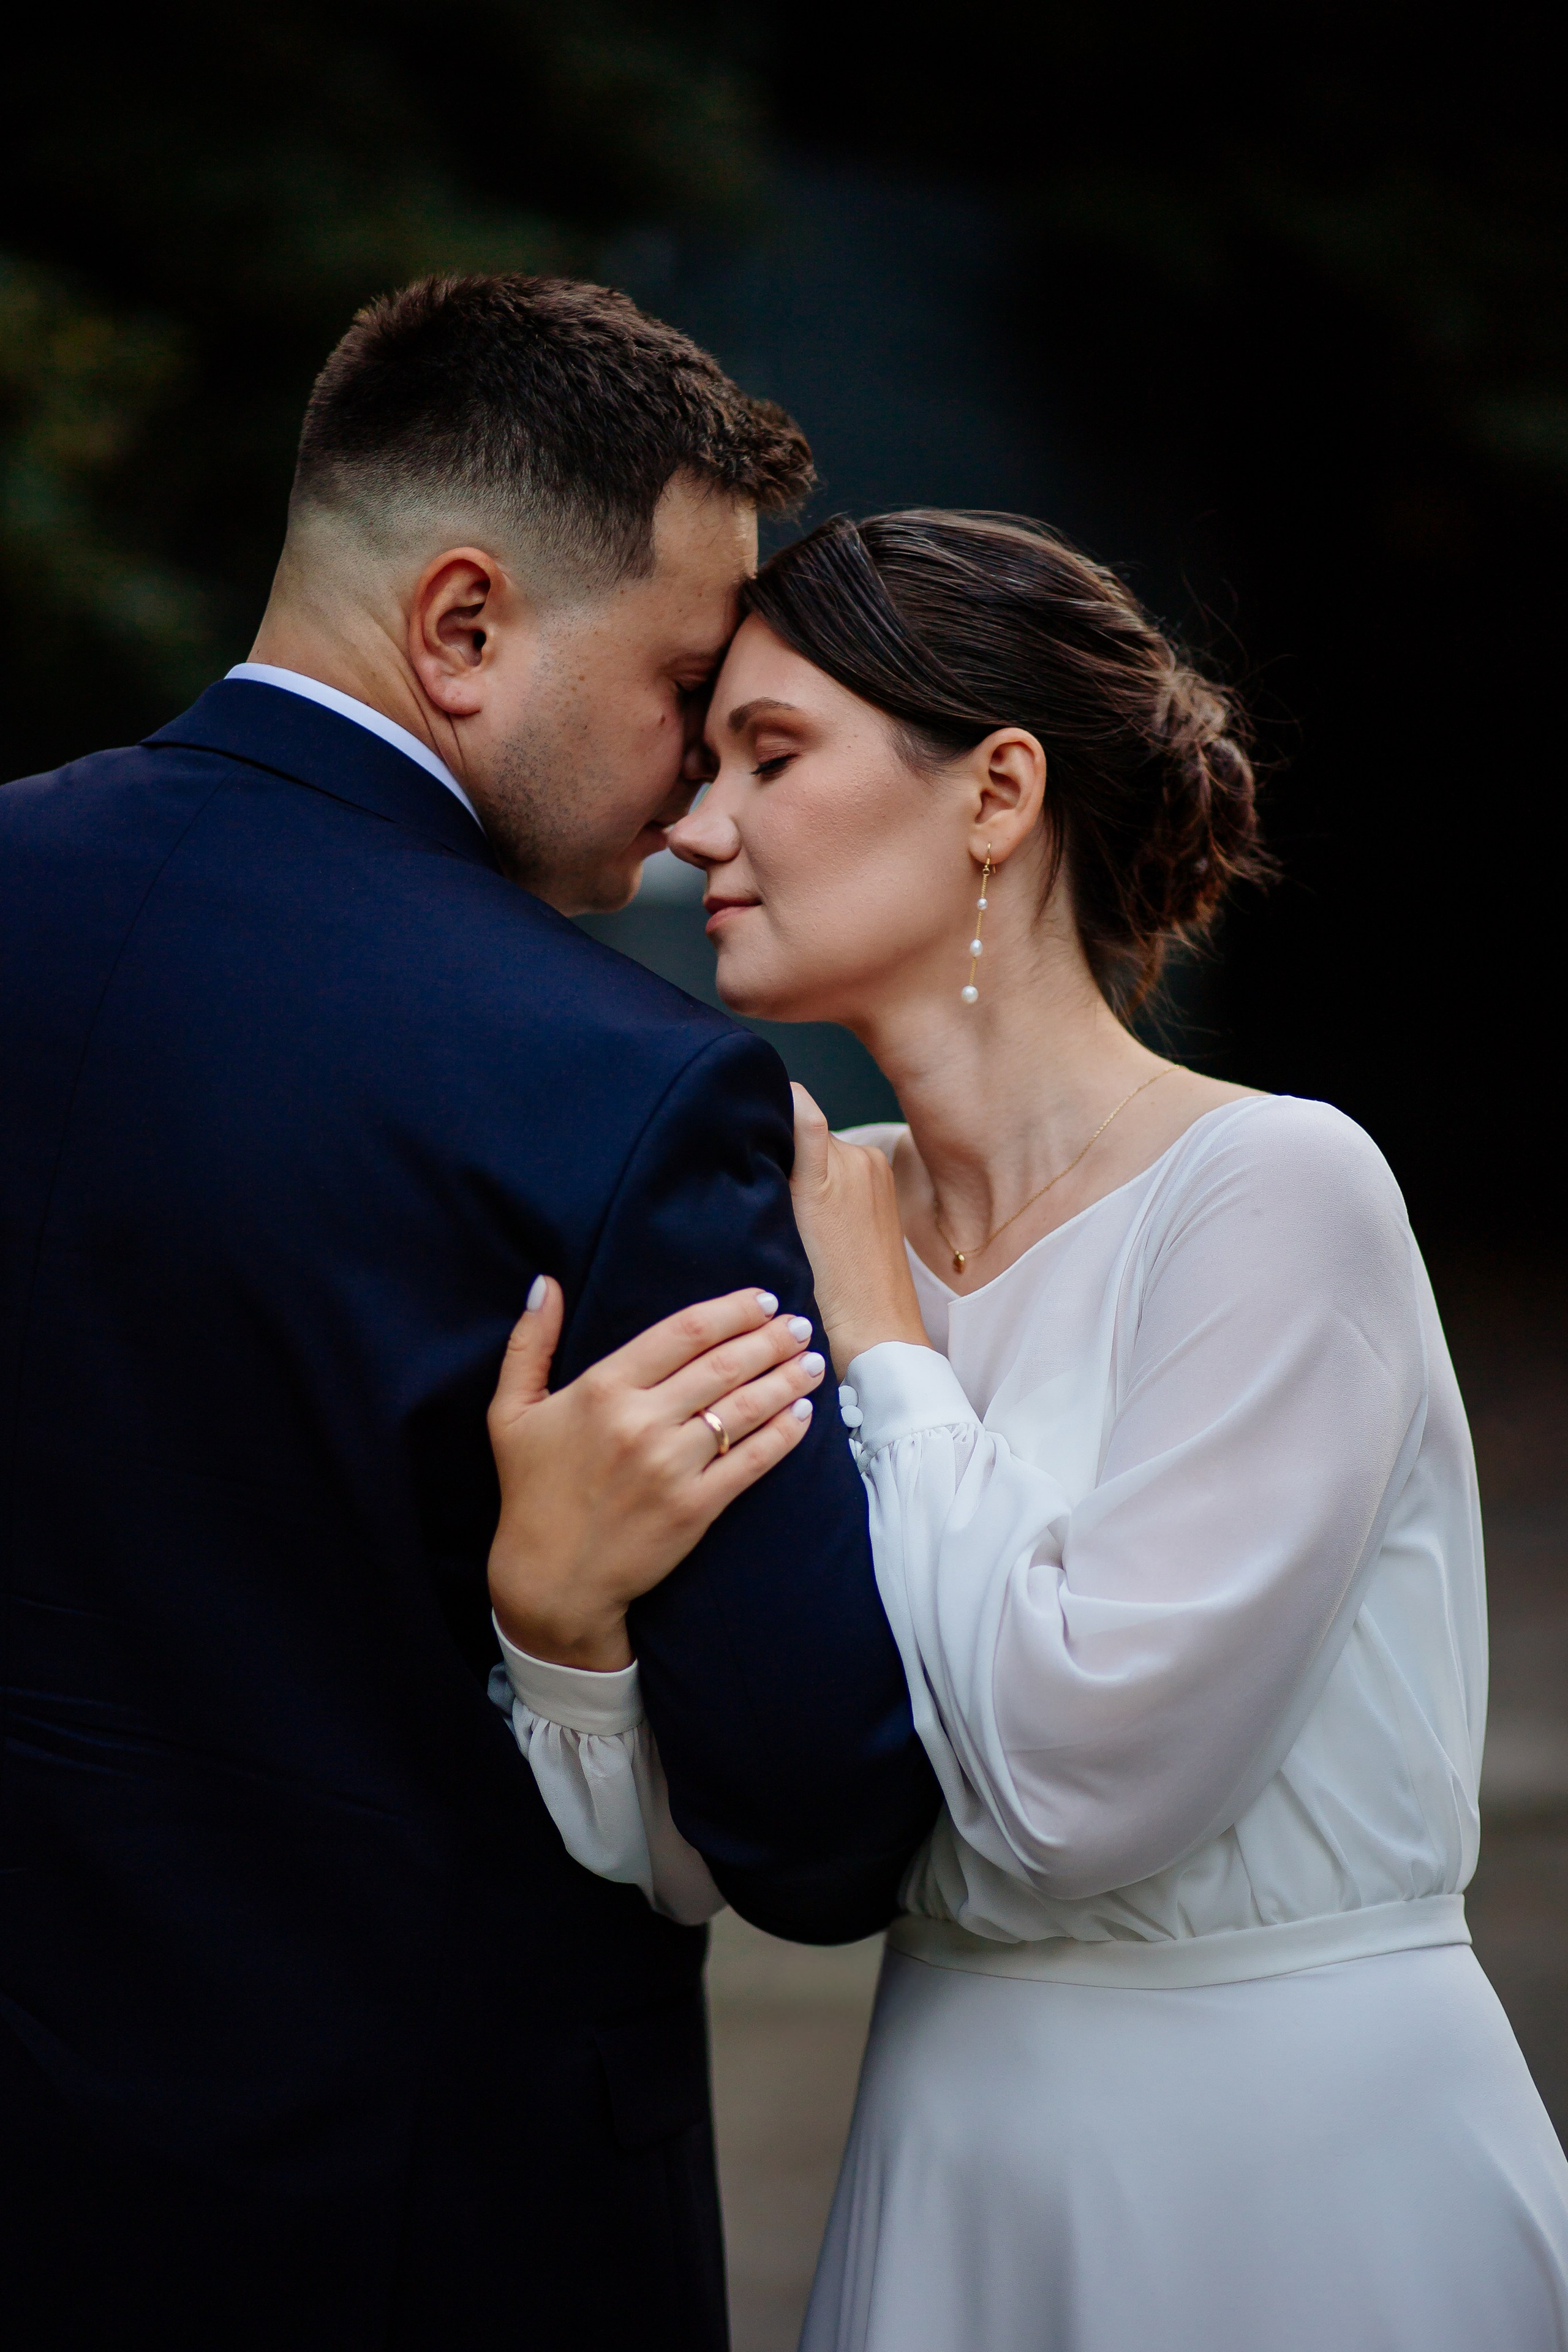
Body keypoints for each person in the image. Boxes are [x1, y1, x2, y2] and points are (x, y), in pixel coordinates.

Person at [484, 510, 1568, 2350]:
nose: (695, 831)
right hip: (951, 2158)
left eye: (770, 757)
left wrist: (892, 1355)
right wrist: (564, 1627)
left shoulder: (1278, 1194)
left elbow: (1079, 1786)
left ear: (996, 792)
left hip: (1291, 2168)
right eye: (701, 764)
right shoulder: (803, 1216)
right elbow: (722, 1839)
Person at [0, 280, 940, 2352]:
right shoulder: (616, 1090)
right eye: (688, 680)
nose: (699, 765)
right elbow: (822, 1813)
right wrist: (569, 1635)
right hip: (416, 2232)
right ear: (462, 630)